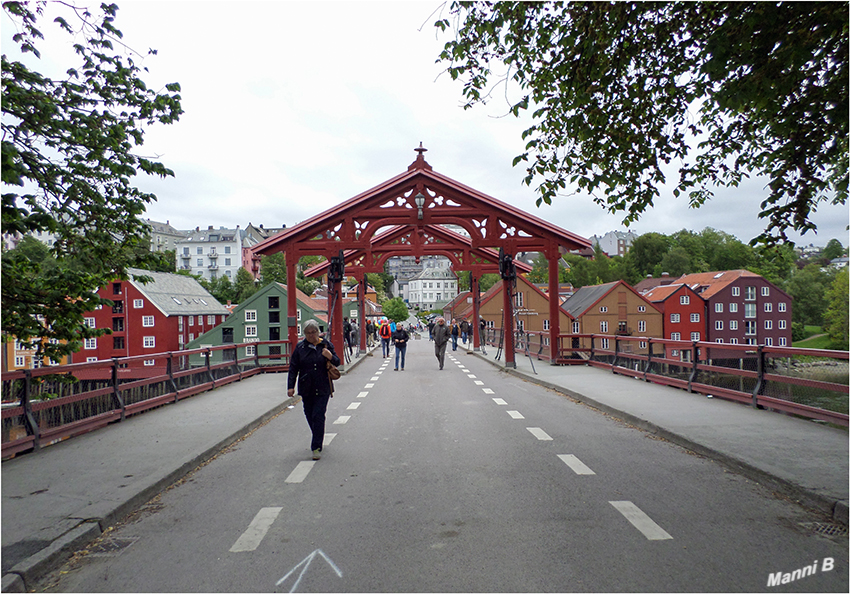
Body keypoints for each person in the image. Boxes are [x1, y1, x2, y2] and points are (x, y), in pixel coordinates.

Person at [287, 319, 341, 460]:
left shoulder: (326, 345)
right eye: (308, 333)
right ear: (304, 334)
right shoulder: (300, 348)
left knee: (318, 415)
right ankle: (318, 434)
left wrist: (330, 356)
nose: (311, 335)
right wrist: (290, 386)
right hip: (306, 387)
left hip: (323, 386)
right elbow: (293, 368)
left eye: (314, 332)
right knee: (309, 414)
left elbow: (337, 361)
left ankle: (316, 447)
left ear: (318, 332)